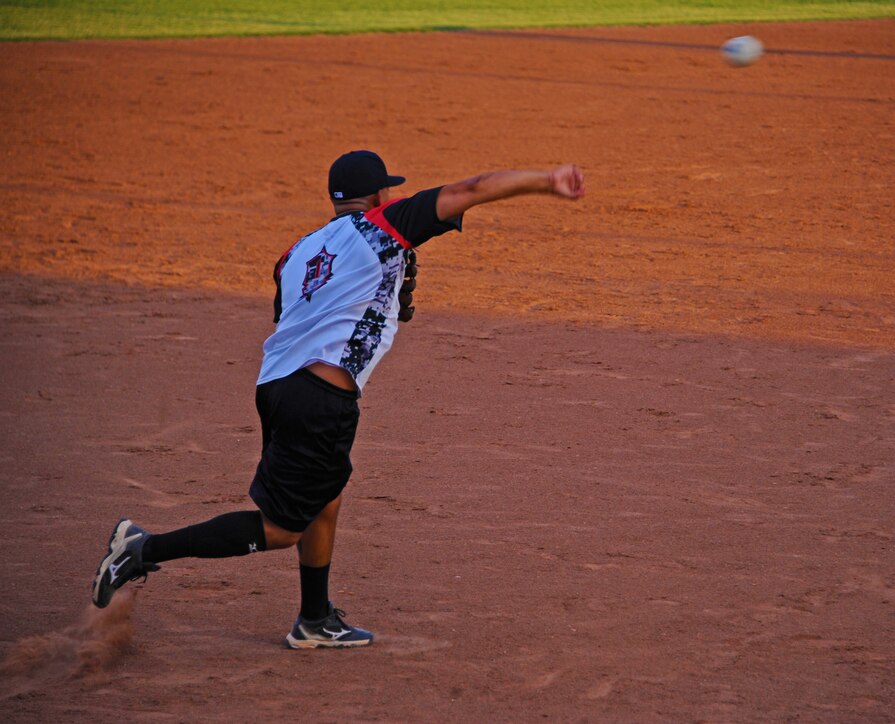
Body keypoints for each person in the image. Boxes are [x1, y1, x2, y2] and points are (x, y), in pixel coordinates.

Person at [91, 150, 586, 648]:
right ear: (376, 196)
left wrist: (384, 298)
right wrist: (546, 180)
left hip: (279, 387)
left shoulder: (297, 252)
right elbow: (471, 189)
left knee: (325, 499)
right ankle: (143, 547)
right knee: (282, 529)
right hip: (320, 399)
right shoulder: (382, 225)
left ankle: (313, 620)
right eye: (385, 191)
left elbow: (302, 314)